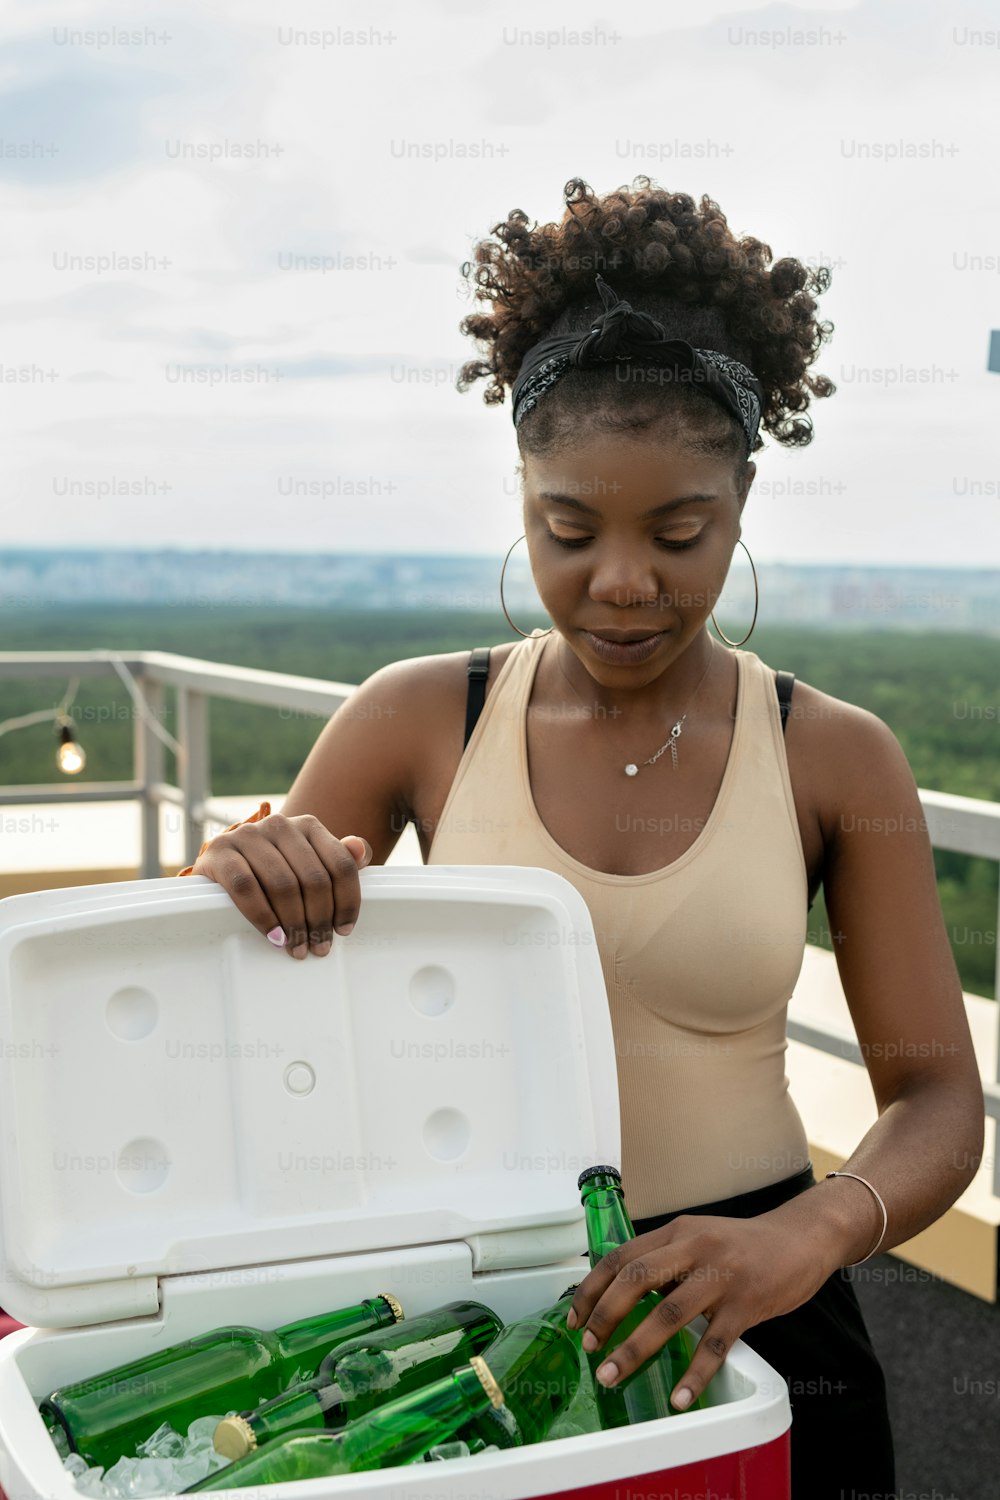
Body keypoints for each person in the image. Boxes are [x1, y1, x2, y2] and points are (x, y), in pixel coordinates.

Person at [180, 177, 983, 1498]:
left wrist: (807, 1237)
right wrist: (237, 875)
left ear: (741, 501)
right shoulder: (420, 719)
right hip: (474, 1333)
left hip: (767, 1312)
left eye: (682, 533)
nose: (621, 580)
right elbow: (228, 997)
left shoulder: (834, 752)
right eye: (569, 529)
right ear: (521, 491)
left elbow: (941, 1102)